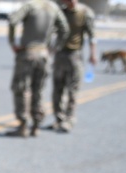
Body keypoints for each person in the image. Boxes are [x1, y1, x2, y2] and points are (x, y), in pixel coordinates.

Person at [6, 0, 68, 137]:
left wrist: (12, 43)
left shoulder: (30, 6)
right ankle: (36, 125)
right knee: (38, 90)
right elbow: (65, 29)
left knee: (22, 89)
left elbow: (12, 21)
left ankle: (23, 125)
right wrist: (54, 48)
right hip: (44, 54)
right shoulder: (53, 8)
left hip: (28, 53)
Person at [51, 0, 96, 133]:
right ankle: (59, 119)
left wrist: (93, 54)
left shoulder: (85, 13)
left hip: (74, 55)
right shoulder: (61, 12)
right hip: (60, 55)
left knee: (73, 90)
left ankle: (69, 120)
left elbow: (92, 35)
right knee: (57, 88)